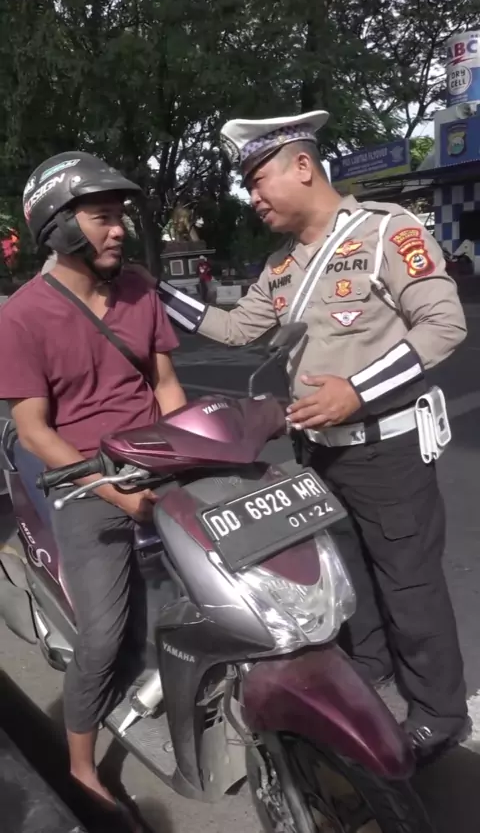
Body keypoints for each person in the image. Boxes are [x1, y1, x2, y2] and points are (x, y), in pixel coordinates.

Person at [151, 111, 470, 761]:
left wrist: (355, 391)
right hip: (320, 454)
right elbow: (236, 329)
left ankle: (439, 715)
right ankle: (371, 674)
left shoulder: (387, 232)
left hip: (386, 449)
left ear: (302, 166)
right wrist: (151, 292)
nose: (253, 196)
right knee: (348, 579)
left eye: (258, 180)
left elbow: (443, 325)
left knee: (409, 586)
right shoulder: (282, 264)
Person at [0, 152, 186, 826]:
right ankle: (81, 765)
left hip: (157, 461)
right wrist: (114, 492)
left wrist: (184, 454)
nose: (118, 230)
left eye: (120, 217)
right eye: (102, 217)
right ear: (59, 226)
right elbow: (33, 431)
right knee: (102, 638)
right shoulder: (23, 316)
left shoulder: (138, 288)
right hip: (83, 482)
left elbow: (165, 384)